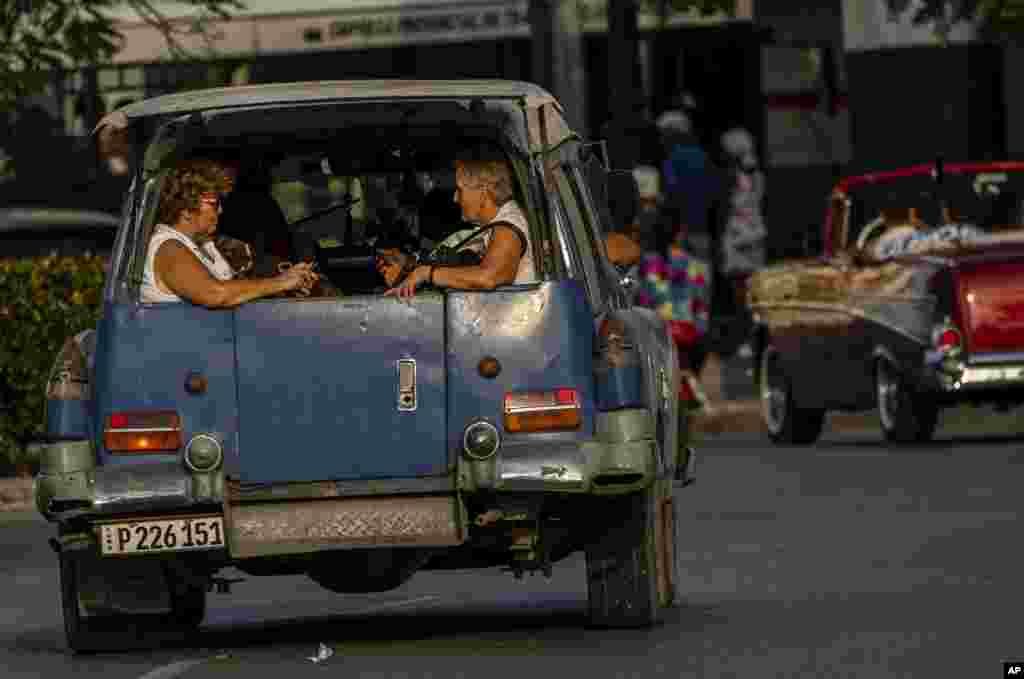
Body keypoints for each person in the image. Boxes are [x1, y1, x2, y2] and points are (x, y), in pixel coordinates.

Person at [141, 157, 317, 307]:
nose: (220, 211)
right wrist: (280, 283)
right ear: (186, 210)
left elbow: (235, 290)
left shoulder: (206, 245)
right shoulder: (168, 247)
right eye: (214, 204)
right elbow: (214, 293)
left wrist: (288, 284)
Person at [386, 144, 535, 298]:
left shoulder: (508, 227)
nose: (456, 198)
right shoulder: (493, 226)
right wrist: (411, 264)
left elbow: (488, 277)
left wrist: (426, 273)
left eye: (460, 190)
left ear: (483, 191)